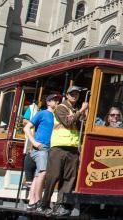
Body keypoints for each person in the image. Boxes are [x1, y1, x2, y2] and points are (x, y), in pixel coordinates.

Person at [39, 85, 88, 216]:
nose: (75, 96)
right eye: (72, 94)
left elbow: (81, 126)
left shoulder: (75, 109)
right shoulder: (61, 107)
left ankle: (59, 205)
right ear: (67, 95)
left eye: (77, 94)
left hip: (72, 148)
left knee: (69, 178)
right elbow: (67, 121)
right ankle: (44, 204)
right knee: (53, 176)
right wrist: (81, 110)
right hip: (59, 147)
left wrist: (84, 114)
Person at [24, 93, 61, 211]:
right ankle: (39, 201)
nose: (57, 102)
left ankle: (31, 202)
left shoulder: (56, 116)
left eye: (58, 100)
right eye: (54, 100)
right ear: (48, 102)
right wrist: (34, 142)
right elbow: (26, 127)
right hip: (41, 148)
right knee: (43, 173)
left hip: (49, 148)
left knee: (38, 175)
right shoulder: (43, 113)